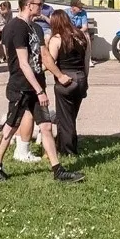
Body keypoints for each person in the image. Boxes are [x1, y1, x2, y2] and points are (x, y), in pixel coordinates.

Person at [0, 0, 84, 182]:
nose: (42, 8)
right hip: (21, 87)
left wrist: (59, 75)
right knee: (11, 126)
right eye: (39, 5)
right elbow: (23, 63)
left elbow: (45, 56)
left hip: (36, 86)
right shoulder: (15, 28)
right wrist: (39, 90)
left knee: (46, 126)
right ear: (28, 5)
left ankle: (58, 170)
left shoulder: (36, 28)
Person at [47, 10, 89, 156]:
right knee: (72, 116)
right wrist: (85, 80)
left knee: (64, 118)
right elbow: (86, 61)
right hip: (81, 77)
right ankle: (71, 144)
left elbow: (50, 61)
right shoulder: (81, 36)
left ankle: (67, 151)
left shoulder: (57, 39)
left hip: (66, 79)